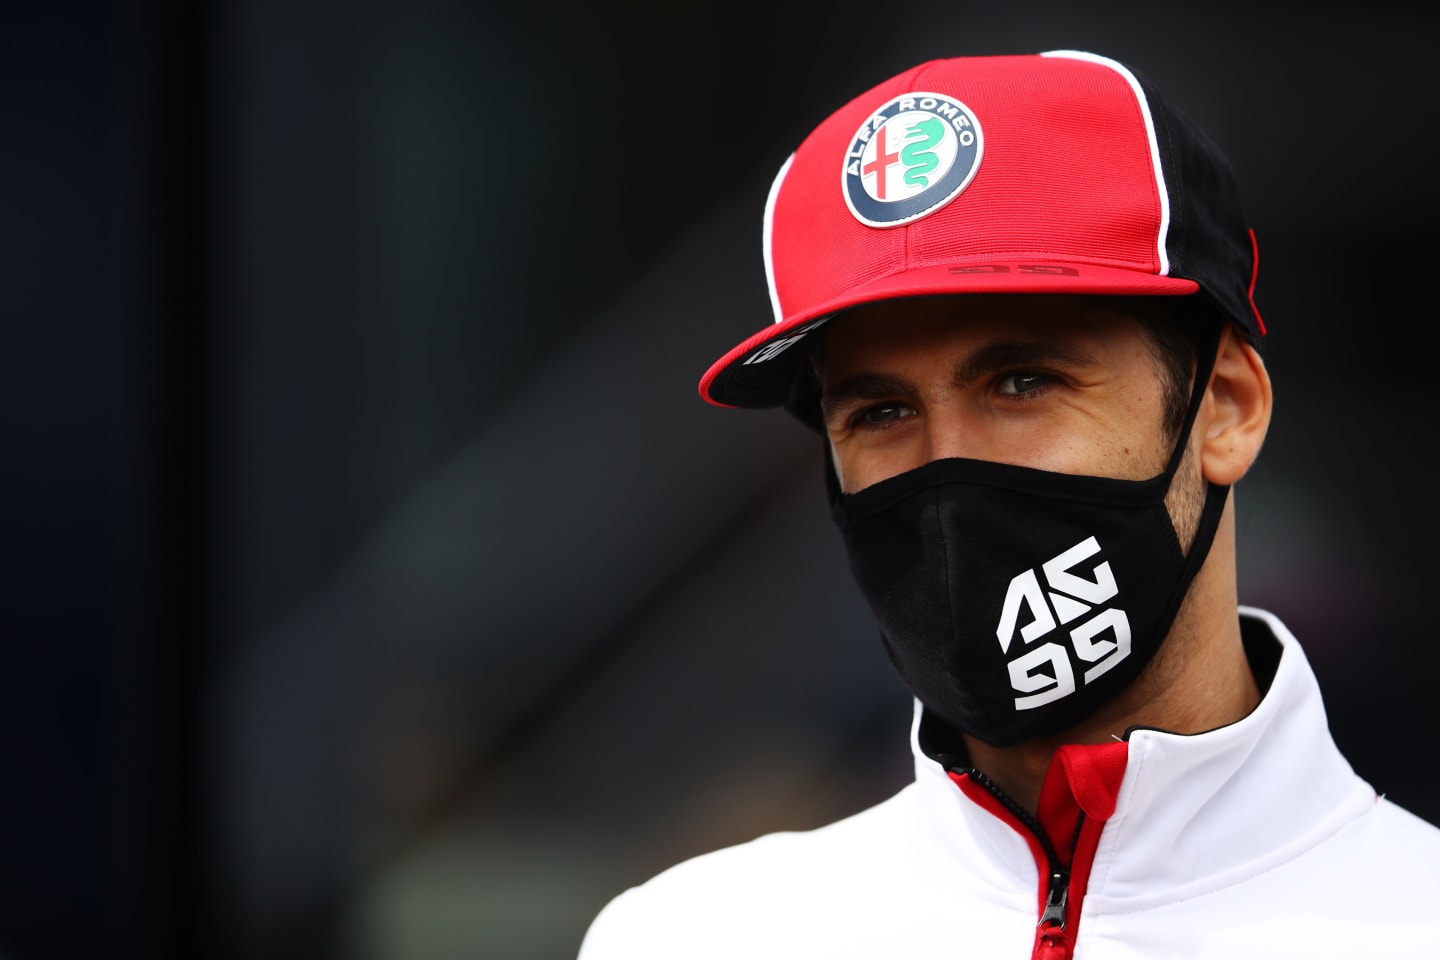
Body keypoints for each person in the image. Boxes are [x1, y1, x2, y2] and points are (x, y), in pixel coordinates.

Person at [578, 50, 1440, 959]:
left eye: (1024, 381)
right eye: (881, 411)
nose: (948, 467)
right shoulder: (688, 937)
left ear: (1225, 406)